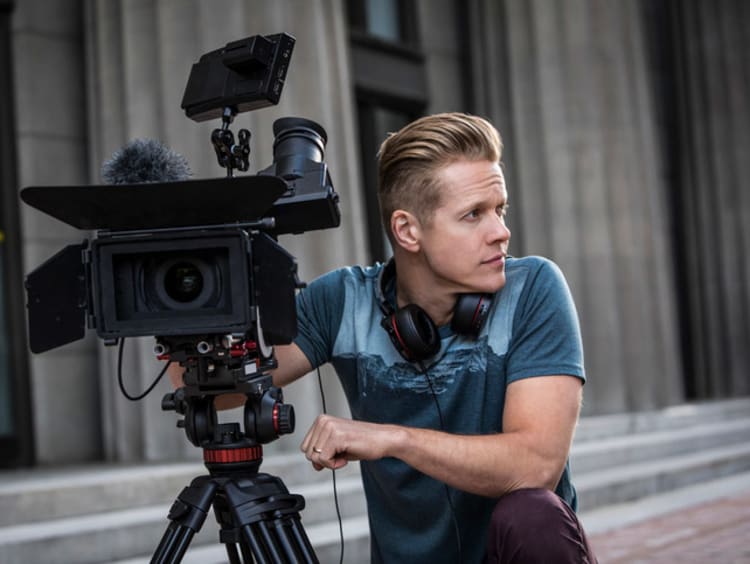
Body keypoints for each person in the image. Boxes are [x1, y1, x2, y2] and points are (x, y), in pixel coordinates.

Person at [177, 112, 597, 563]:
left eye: (500, 209)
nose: (501, 232)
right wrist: (189, 288)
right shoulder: (341, 301)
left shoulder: (533, 288)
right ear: (407, 230)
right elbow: (207, 387)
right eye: (474, 214)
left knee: (531, 514)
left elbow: (536, 467)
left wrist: (393, 440)